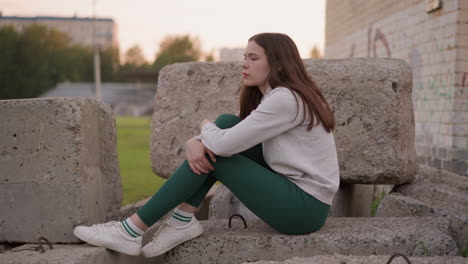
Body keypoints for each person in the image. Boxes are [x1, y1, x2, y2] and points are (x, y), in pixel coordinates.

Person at [73, 32, 340, 258]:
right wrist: (198, 140)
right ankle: (182, 220)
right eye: (244, 57)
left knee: (218, 151)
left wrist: (201, 129)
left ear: (278, 63)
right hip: (295, 196)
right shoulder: (276, 97)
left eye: (253, 58)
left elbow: (223, 148)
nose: (244, 64)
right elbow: (227, 136)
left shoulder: (285, 99)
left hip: (304, 209)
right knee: (225, 123)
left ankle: (130, 231)